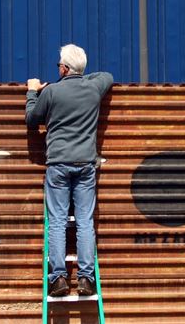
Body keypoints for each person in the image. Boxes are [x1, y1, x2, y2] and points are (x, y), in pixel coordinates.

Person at [25, 44, 113, 297]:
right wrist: (82, 75)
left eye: (59, 66)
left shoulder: (52, 92)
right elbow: (107, 76)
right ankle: (86, 279)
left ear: (63, 68)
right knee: (85, 222)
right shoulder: (94, 88)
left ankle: (59, 279)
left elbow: (32, 120)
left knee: (58, 222)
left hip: (58, 165)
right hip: (85, 165)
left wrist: (33, 91)